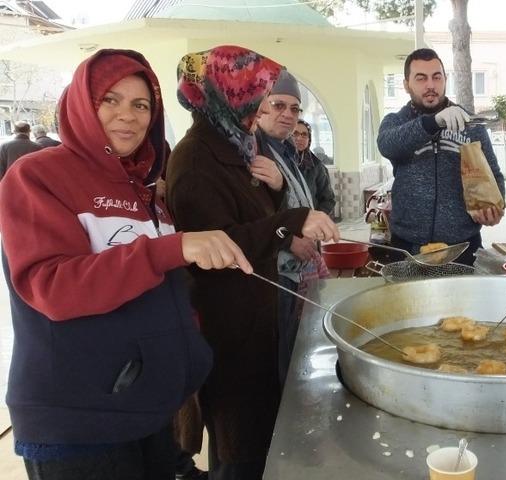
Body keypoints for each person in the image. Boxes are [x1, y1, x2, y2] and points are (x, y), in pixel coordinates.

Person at [0, 48, 254, 480]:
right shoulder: (37, 176)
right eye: (110, 100)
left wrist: (189, 343)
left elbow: (155, 284)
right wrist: (173, 248)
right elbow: (53, 287)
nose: (128, 116)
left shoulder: (142, 187)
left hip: (146, 409)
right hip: (80, 422)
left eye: (141, 105)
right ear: (82, 104)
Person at [166, 45, 339, 480]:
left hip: (257, 314)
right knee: (238, 445)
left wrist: (279, 194)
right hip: (230, 328)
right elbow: (218, 248)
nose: (264, 108)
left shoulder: (237, 145)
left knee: (258, 436)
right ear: (226, 93)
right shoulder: (195, 160)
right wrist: (291, 220)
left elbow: (254, 216)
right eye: (259, 96)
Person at [377, 47, 505, 266]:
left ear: (445, 80)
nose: (430, 85)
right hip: (407, 248)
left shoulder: (471, 125)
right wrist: (433, 122)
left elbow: (494, 176)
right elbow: (386, 145)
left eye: (437, 77)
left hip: (463, 248)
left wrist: (493, 207)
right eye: (421, 78)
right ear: (406, 85)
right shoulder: (395, 122)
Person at [254, 68, 328, 385]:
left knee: (293, 350)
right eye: (279, 105)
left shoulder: (284, 150)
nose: (288, 115)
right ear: (260, 106)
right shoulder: (253, 150)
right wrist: (288, 241)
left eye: (295, 108)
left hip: (293, 272)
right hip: (275, 274)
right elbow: (252, 218)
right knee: (279, 360)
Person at [294, 120, 337, 217]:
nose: (299, 138)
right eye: (295, 134)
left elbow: (328, 199)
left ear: (309, 140)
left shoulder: (316, 166)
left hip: (310, 220)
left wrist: (315, 217)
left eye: (304, 135)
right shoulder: (280, 162)